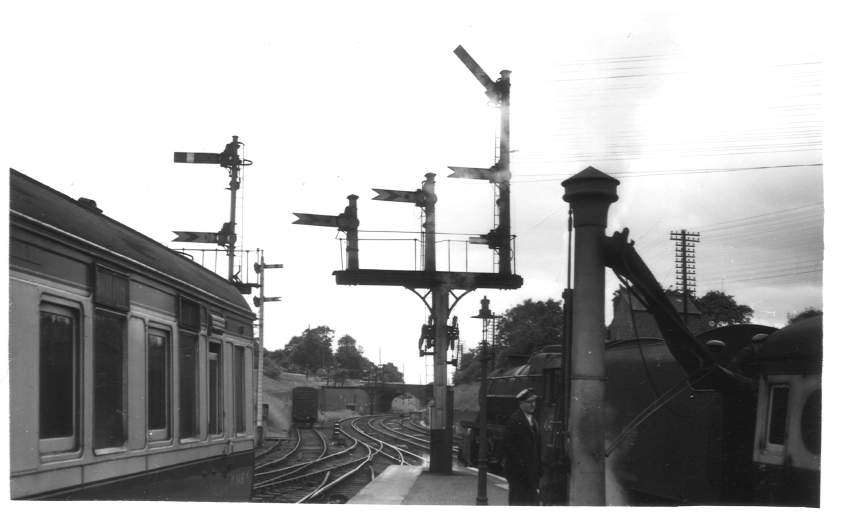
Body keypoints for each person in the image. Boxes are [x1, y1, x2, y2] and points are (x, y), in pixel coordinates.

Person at [503, 388, 542, 505]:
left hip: (531, 473)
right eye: (529, 402)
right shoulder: (514, 421)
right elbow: (509, 447)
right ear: (521, 404)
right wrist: (522, 466)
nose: (533, 405)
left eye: (534, 401)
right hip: (518, 473)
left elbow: (536, 447)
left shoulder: (534, 421)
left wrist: (539, 467)